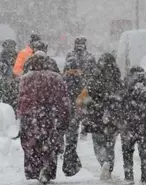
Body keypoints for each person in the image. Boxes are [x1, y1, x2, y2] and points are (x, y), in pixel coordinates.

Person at [17, 54, 70, 184]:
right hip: (49, 116)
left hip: (30, 117)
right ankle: (47, 169)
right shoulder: (56, 78)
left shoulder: (25, 79)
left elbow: (21, 100)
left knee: (31, 145)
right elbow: (63, 101)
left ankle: (35, 170)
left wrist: (21, 115)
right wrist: (64, 118)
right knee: (50, 144)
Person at [82, 53, 124, 180]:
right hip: (113, 116)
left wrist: (88, 109)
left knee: (99, 143)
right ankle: (109, 166)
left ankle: (103, 161)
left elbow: (86, 97)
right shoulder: (117, 79)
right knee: (110, 143)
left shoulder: (94, 79)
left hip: (97, 115)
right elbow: (122, 97)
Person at [62, 36, 96, 176]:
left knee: (77, 111)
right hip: (83, 88)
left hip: (74, 89)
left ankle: (78, 126)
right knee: (84, 107)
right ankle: (84, 126)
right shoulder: (89, 57)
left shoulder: (71, 56)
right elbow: (94, 72)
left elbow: (65, 72)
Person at [0, 39, 18, 110]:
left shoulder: (2, 55)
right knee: (12, 98)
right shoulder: (16, 55)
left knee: (6, 98)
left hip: (6, 80)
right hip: (12, 80)